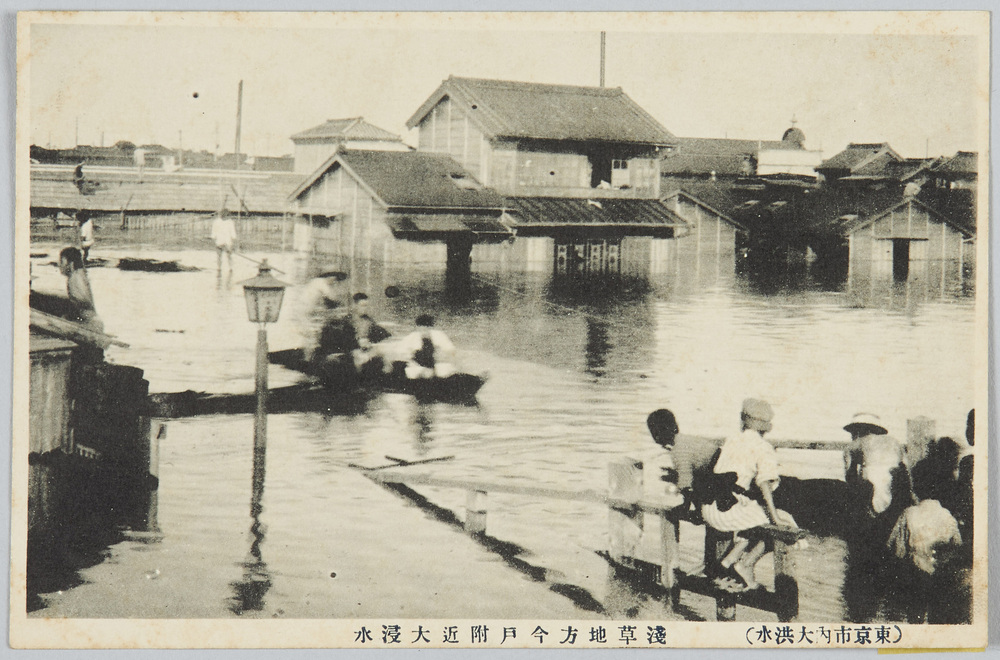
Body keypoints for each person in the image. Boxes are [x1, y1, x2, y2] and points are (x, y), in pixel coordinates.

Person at [699, 398, 797, 590]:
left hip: (709, 508)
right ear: (766, 426)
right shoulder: (763, 448)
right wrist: (775, 516)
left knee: (755, 517)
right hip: (727, 512)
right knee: (783, 524)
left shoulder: (731, 440)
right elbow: (764, 483)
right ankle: (745, 564)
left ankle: (729, 561)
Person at [58, 246, 103, 332]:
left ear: (71, 264)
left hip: (90, 324)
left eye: (62, 262)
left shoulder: (75, 277)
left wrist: (69, 311)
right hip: (94, 322)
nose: (59, 265)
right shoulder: (79, 274)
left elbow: (84, 301)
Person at [398, 314, 457, 379]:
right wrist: (413, 362)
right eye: (421, 327)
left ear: (431, 327)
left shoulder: (439, 335)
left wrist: (440, 357)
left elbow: (450, 349)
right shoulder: (412, 337)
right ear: (417, 327)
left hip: (436, 364)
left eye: (427, 327)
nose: (424, 330)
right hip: (418, 365)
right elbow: (402, 352)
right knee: (413, 374)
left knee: (444, 372)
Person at [348, 293, 391, 373]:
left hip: (367, 348)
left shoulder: (368, 320)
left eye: (367, 305)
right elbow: (345, 339)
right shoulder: (348, 321)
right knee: (357, 356)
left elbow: (382, 334)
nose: (365, 308)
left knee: (385, 356)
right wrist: (358, 343)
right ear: (355, 305)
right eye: (363, 305)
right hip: (353, 350)